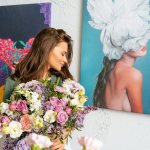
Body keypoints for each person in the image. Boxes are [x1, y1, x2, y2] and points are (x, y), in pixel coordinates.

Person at [3, 27, 73, 150]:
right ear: (47, 48)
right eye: (63, 54)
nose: (65, 60)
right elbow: (5, 126)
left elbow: (69, 123)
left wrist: (61, 142)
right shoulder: (14, 83)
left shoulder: (62, 85)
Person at [87, 0, 150, 113]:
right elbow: (140, 120)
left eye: (142, 34)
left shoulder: (111, 71)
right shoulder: (133, 75)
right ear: (120, 45)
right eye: (133, 38)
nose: (142, 43)